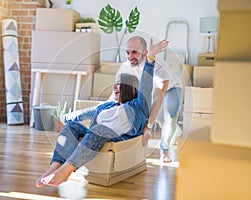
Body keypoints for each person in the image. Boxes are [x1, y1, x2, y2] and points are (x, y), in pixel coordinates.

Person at [35, 38, 168, 187]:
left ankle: (66, 171)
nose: (115, 87)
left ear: (130, 88)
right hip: (95, 136)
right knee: (72, 126)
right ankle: (54, 168)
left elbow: (146, 85)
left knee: (99, 129)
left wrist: (150, 59)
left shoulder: (138, 106)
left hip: (116, 138)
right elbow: (84, 113)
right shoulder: (108, 105)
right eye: (115, 84)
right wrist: (61, 118)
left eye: (120, 85)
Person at [114, 36, 182, 163]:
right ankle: (176, 130)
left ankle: (164, 151)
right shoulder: (129, 65)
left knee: (170, 118)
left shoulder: (155, 65)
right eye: (127, 52)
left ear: (145, 53)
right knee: (161, 121)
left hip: (172, 87)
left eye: (134, 52)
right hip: (154, 89)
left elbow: (162, 88)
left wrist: (149, 120)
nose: (130, 56)